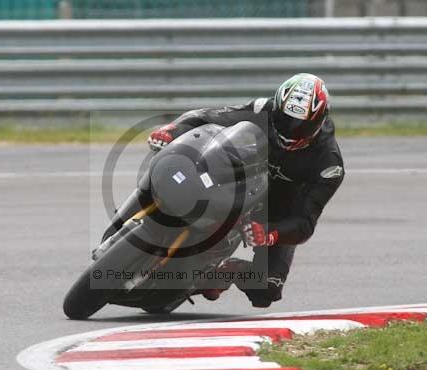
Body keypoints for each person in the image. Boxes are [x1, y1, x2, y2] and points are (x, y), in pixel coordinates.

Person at [147, 73, 345, 307]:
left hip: (277, 212)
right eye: (285, 119)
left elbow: (304, 223)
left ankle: (228, 272)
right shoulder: (264, 109)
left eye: (303, 125)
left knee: (267, 290)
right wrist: (172, 130)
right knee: (180, 165)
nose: (291, 130)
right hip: (237, 181)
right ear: (277, 107)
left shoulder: (328, 165)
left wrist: (270, 233)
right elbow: (206, 117)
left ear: (320, 120)